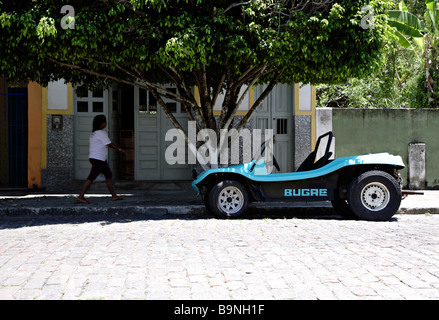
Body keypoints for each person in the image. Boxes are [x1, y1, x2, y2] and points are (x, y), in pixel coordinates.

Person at [77, 114, 125, 204]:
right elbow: (109, 144)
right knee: (91, 178)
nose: (105, 123)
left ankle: (114, 196)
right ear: (101, 123)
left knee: (108, 176)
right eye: (104, 122)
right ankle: (80, 197)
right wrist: (119, 149)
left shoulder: (93, 133)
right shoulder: (101, 133)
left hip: (98, 159)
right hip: (98, 159)